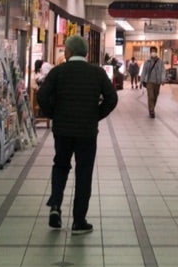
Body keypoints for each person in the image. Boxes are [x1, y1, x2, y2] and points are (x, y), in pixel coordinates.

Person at [38, 34, 118, 234]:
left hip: (63, 129)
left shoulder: (58, 72)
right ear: (86, 53)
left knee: (61, 165)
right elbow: (112, 97)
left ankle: (55, 206)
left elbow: (42, 96)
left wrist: (53, 114)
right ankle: (79, 220)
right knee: (84, 172)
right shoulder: (97, 73)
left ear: (68, 52)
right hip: (86, 131)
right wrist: (96, 115)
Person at [140, 47, 166, 118]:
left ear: (156, 52)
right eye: (152, 51)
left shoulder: (160, 61)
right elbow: (144, 72)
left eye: (154, 51)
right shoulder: (147, 61)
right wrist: (141, 81)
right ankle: (151, 110)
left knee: (155, 96)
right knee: (150, 96)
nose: (153, 53)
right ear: (150, 52)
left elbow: (163, 71)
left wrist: (163, 79)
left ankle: (152, 108)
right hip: (149, 81)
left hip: (157, 82)